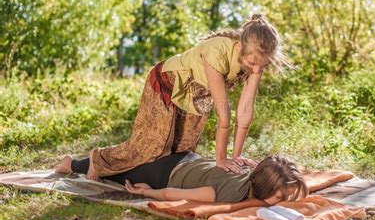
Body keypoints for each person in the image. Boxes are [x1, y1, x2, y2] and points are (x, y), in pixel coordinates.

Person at [85, 13, 287, 181]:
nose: (257, 69)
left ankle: (109, 171)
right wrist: (221, 159)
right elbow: (224, 114)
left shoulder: (255, 62)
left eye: (263, 65)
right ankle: (98, 160)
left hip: (197, 95)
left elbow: (244, 114)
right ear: (240, 47)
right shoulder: (217, 51)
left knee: (179, 155)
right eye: (252, 63)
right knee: (151, 147)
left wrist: (236, 157)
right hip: (168, 84)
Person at [56, 154, 308, 204]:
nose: (284, 200)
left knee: (127, 156)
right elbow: (174, 195)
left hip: (185, 156)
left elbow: (273, 167)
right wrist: (145, 193)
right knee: (114, 169)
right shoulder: (228, 194)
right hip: (163, 173)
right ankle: (71, 163)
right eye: (281, 196)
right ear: (262, 186)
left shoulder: (250, 170)